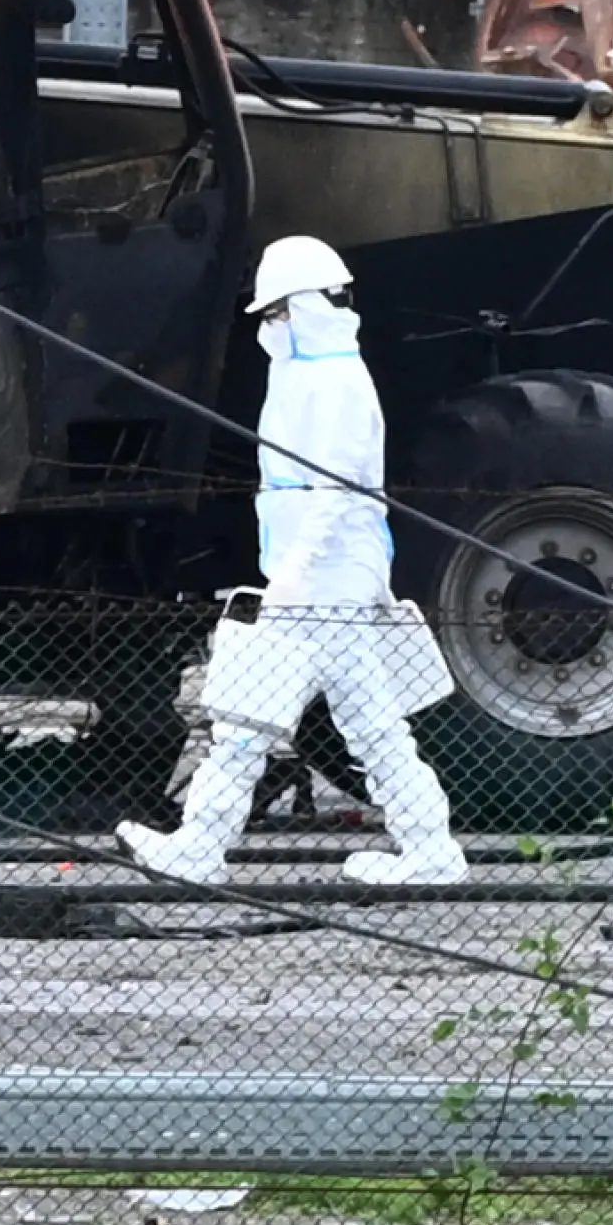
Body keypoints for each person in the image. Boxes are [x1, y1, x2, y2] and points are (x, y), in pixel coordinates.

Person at [119, 235, 469, 887]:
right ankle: (429, 848)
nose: (270, 328)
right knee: (364, 726)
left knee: (248, 716)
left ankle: (202, 845)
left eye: (277, 314)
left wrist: (295, 572)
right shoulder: (309, 374)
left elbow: (334, 486)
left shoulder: (334, 380)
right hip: (322, 577)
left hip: (322, 580)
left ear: (305, 307)